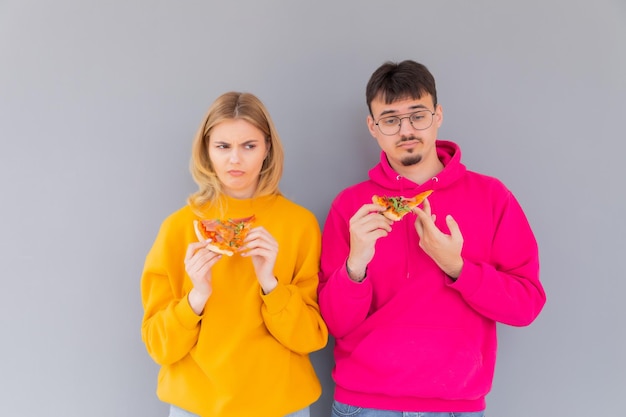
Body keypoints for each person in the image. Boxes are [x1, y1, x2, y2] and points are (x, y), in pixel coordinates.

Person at [318, 60, 546, 416]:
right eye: (390, 120)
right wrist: (355, 265)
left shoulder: (492, 196)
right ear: (373, 127)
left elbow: (526, 306)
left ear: (438, 115)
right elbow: (334, 324)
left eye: (418, 115)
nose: (405, 130)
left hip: (456, 406)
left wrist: (457, 267)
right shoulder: (350, 206)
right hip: (364, 405)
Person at [141, 91, 328, 417]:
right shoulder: (178, 227)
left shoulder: (300, 225)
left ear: (268, 148)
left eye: (249, 146)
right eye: (223, 146)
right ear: (207, 151)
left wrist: (271, 284)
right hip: (196, 408)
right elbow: (159, 346)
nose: (235, 160)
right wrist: (196, 297)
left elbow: (310, 338)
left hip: (282, 407)